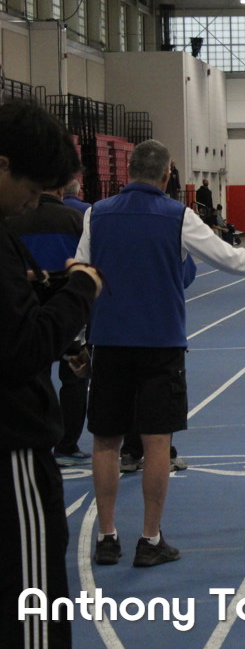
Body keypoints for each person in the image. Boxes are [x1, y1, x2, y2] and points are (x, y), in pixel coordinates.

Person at [76, 140, 245, 569]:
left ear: (128, 171)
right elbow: (229, 259)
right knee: (157, 443)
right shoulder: (178, 216)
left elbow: (80, 276)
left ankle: (107, 537)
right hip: (160, 345)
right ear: (167, 174)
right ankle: (149, 539)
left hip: (108, 343)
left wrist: (78, 340)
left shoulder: (96, 214)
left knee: (105, 441)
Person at [1, 99, 103, 649]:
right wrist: (80, 290)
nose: (33, 201)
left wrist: (42, 289)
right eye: (33, 187)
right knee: (33, 603)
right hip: (12, 448)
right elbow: (22, 347)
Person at [5, 183, 93, 466]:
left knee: (32, 375)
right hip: (68, 309)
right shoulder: (75, 219)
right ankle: (67, 445)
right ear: (61, 191)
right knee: (75, 377)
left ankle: (34, 437)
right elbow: (87, 261)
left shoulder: (13, 220)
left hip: (26, 308)